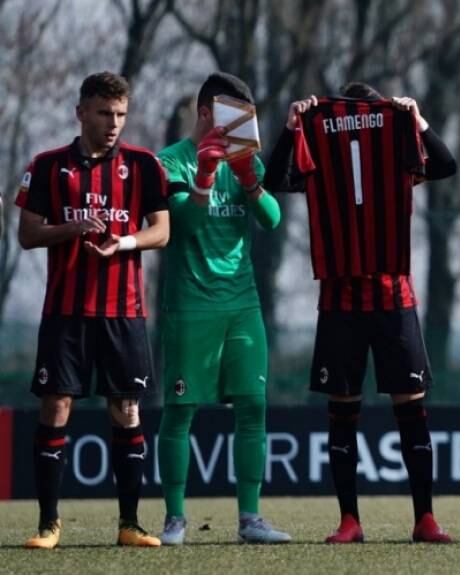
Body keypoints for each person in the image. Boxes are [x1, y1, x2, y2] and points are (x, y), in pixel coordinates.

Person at [264, 82, 457, 543]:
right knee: (342, 410)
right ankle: (349, 520)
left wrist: (416, 119)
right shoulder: (317, 141)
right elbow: (274, 181)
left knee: (410, 408)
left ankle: (424, 518)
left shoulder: (397, 146)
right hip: (340, 299)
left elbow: (447, 165)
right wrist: (293, 129)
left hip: (394, 298)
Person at [15, 71, 169, 548]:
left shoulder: (144, 165)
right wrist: (73, 226)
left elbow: (161, 231)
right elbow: (27, 235)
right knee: (56, 405)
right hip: (65, 311)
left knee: (126, 408)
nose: (114, 123)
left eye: (121, 114)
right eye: (104, 113)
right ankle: (48, 525)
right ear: (81, 112)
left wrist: (123, 241)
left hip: (124, 313)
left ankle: (129, 524)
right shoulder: (46, 166)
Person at [156, 72, 290, 545]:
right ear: (208, 113)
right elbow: (182, 229)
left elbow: (272, 221)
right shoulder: (169, 161)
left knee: (253, 407)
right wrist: (206, 177)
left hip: (242, 303)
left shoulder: (242, 159)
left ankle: (250, 518)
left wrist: (252, 182)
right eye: (236, 117)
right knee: (180, 409)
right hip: (190, 305)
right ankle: (174, 518)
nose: (243, 128)